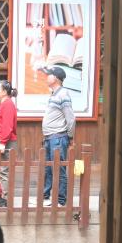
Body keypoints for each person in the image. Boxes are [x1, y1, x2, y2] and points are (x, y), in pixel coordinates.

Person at [39, 65, 75, 206]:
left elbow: (70, 118)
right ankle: (46, 198)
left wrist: (70, 137)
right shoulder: (54, 94)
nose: (47, 77)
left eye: (49, 75)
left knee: (59, 169)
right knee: (48, 168)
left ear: (56, 78)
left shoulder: (63, 94)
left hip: (58, 137)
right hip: (50, 137)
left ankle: (61, 200)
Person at [0, 80, 19, 207]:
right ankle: (2, 196)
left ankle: (5, 199)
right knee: (1, 170)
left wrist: (2, 143)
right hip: (0, 141)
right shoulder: (4, 104)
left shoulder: (8, 105)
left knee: (4, 171)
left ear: (4, 92)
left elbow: (8, 126)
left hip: (5, 142)